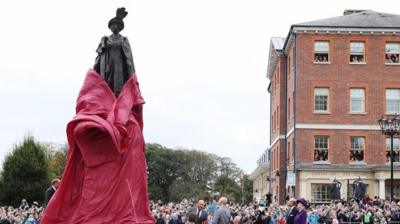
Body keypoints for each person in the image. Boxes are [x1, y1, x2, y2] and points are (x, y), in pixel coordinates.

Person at [94, 7, 135, 96]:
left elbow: (128, 56)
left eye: (115, 25)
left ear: (119, 27)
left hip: (119, 67)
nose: (113, 27)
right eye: (111, 25)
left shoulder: (123, 39)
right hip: (107, 66)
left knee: (118, 88)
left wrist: (130, 69)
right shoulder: (105, 39)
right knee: (107, 86)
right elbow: (100, 54)